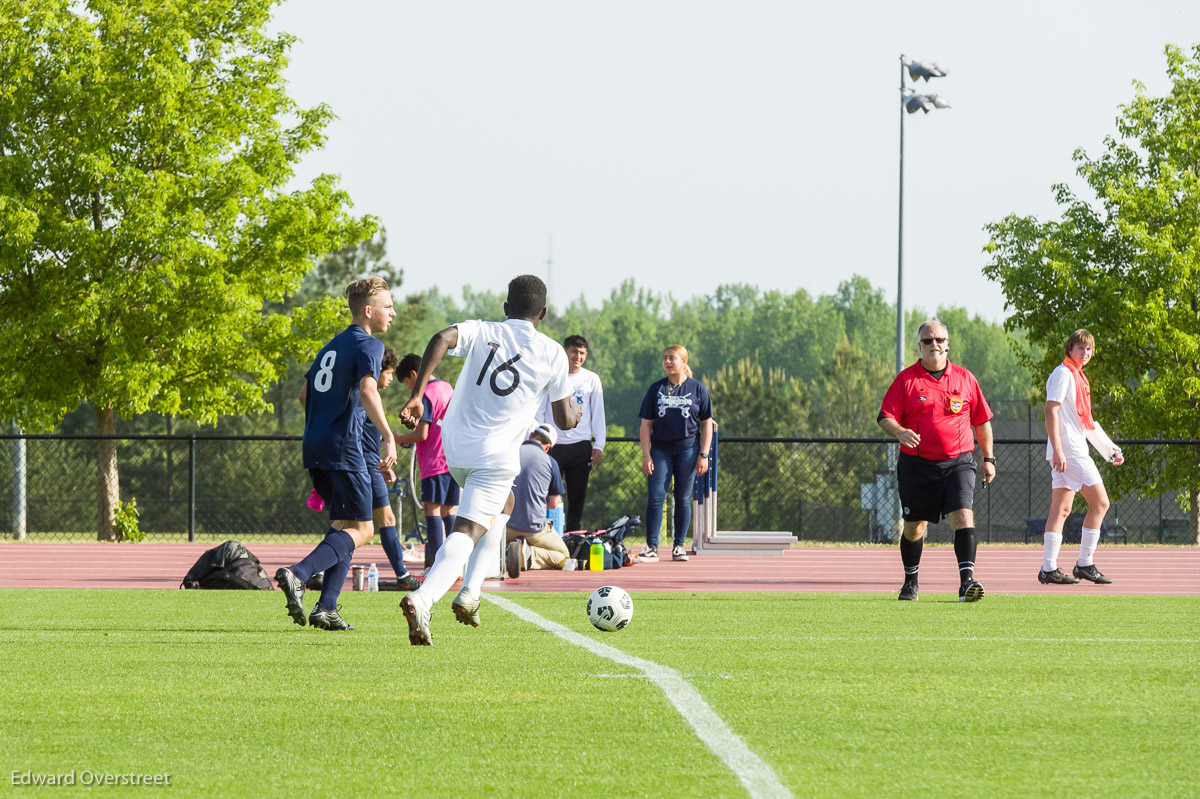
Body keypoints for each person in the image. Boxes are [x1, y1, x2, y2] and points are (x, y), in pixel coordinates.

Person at [397, 275, 580, 646]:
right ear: (543, 313)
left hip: (456, 447)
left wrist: (418, 395)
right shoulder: (550, 352)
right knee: (467, 531)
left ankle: (471, 593)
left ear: (505, 307)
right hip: (495, 455)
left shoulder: (483, 330)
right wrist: (574, 410)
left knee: (503, 506)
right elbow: (564, 420)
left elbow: (441, 338)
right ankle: (425, 597)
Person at [275, 277, 398, 631]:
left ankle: (326, 607)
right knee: (363, 528)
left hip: (314, 445)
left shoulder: (330, 346)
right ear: (369, 310)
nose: (393, 312)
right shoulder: (370, 345)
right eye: (388, 306)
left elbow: (303, 395)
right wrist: (388, 436)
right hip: (343, 448)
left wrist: (324, 421)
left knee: (342, 526)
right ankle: (298, 574)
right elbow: (367, 389)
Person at [877, 320, 995, 603]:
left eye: (939, 340)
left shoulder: (965, 378)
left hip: (959, 462)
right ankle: (910, 581)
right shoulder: (906, 380)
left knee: (963, 515)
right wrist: (900, 431)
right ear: (919, 346)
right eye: (928, 341)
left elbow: (982, 422)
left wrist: (988, 458)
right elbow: (885, 417)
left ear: (948, 343)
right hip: (917, 466)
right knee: (914, 526)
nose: (934, 345)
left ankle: (966, 583)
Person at [1039, 329, 1124, 585]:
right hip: (1069, 452)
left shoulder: (1078, 377)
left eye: (1088, 349)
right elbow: (1049, 411)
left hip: (1072, 449)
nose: (1085, 353)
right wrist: (1057, 450)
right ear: (1070, 349)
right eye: (1080, 348)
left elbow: (1086, 422)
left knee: (1062, 509)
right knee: (1100, 503)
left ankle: (1048, 569)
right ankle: (1085, 564)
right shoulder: (1064, 373)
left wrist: (1109, 450)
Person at [636, 345, 713, 563]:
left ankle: (679, 546)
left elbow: (707, 423)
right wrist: (646, 454)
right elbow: (645, 424)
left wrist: (703, 454)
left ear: (684, 362)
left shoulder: (698, 389)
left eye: (673, 358)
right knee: (656, 497)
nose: (668, 362)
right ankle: (652, 546)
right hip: (660, 449)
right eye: (665, 358)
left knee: (682, 498)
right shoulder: (656, 389)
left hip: (688, 449)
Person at [361, 348, 421, 592]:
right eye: (389, 373)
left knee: (345, 524)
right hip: (365, 464)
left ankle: (314, 571)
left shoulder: (366, 393)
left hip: (368, 463)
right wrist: (378, 460)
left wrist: (381, 465)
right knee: (384, 520)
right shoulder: (367, 393)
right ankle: (402, 574)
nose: (390, 378)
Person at [394, 352, 460, 569]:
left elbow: (422, 434)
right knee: (450, 512)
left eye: (407, 383)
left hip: (433, 462)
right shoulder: (447, 387)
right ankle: (455, 564)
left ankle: (437, 565)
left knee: (431, 511)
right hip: (452, 458)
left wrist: (398, 438)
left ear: (414, 374)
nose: (409, 389)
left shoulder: (426, 394)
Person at [535, 334, 606, 533]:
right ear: (565, 352)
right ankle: (546, 533)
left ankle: (572, 536)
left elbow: (598, 412)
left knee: (577, 497)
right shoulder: (552, 376)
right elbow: (540, 408)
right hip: (553, 446)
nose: (578, 356)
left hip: (580, 446)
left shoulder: (591, 379)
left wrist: (599, 444)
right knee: (548, 494)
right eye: (574, 352)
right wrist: (540, 438)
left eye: (582, 353)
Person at [505, 423, 569, 575]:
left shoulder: (510, 454)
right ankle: (528, 554)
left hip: (506, 525)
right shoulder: (550, 462)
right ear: (548, 446)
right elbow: (553, 504)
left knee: (486, 548)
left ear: (531, 435)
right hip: (534, 528)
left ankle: (505, 551)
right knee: (564, 557)